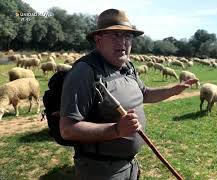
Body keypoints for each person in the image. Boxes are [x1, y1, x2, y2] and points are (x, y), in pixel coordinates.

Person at [59, 8, 198, 180]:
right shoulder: (85, 72)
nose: (123, 42)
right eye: (115, 35)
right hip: (101, 170)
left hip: (130, 164)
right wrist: (116, 129)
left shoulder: (127, 67)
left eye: (127, 36)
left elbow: (144, 94)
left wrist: (172, 90)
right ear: (98, 39)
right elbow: (68, 129)